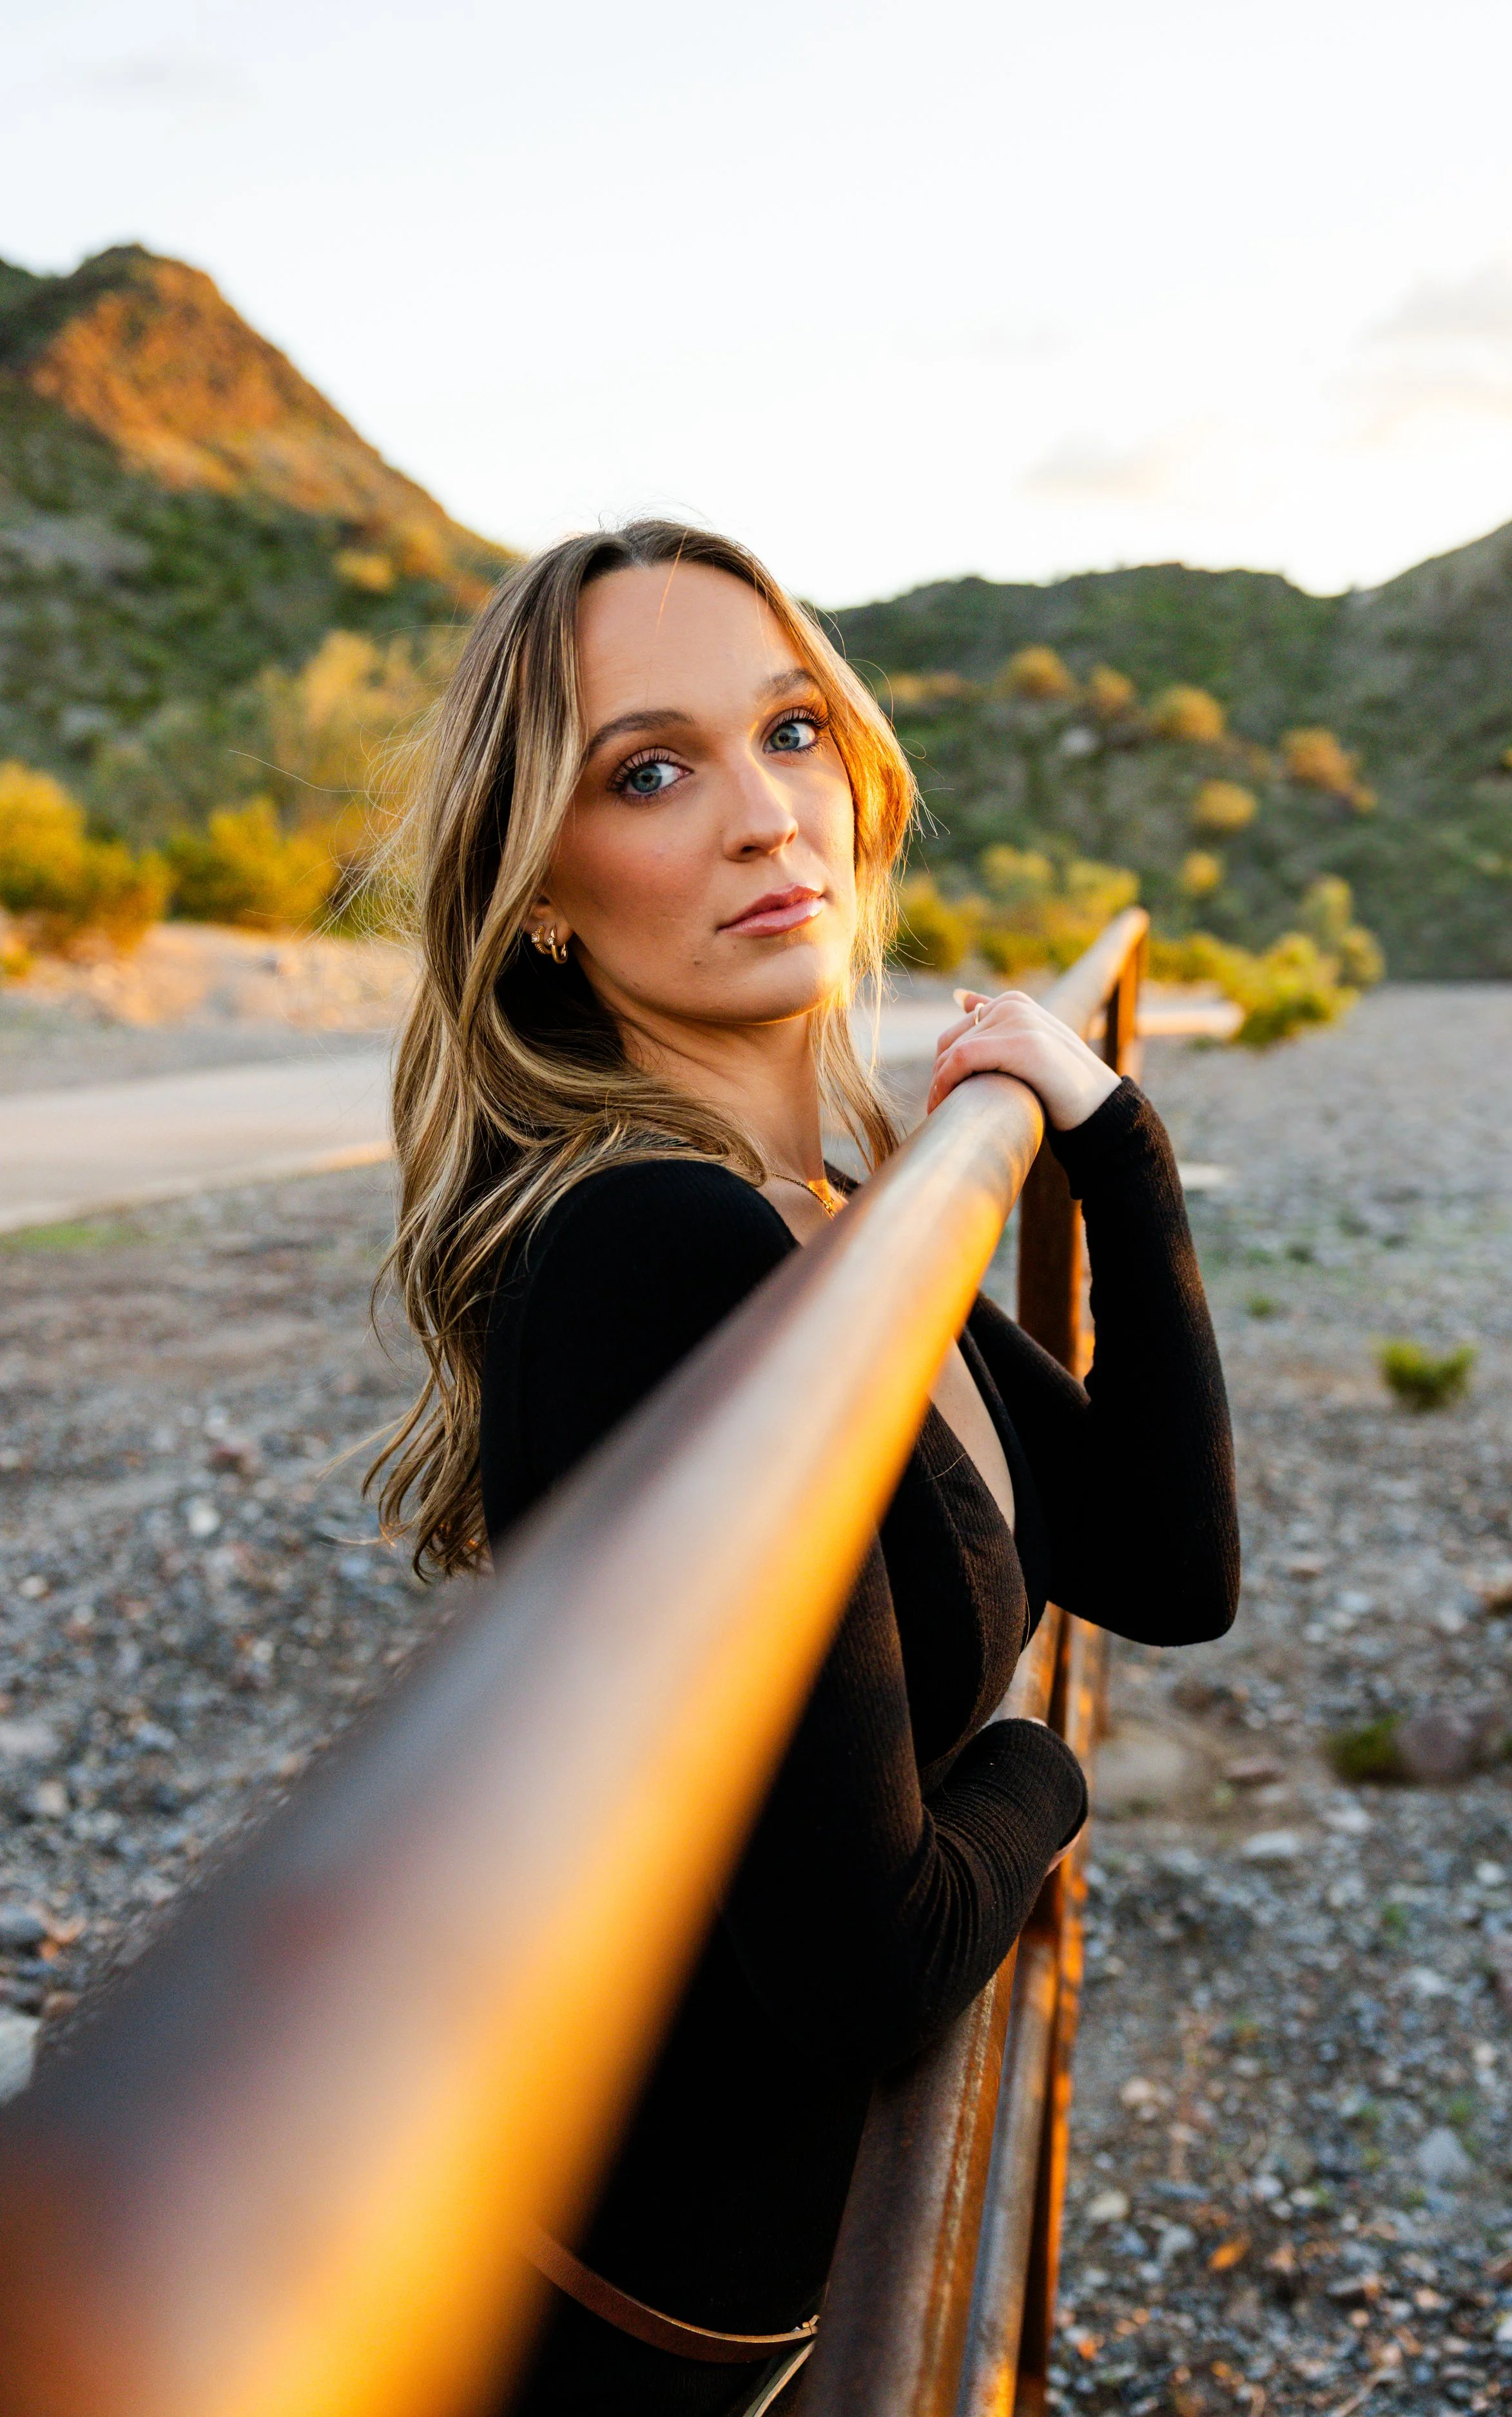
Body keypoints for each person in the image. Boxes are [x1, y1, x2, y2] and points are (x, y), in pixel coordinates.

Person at [371, 521, 1238, 2416]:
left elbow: (1166, 1565)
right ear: (537, 890)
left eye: (790, 730)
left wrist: (1109, 1147)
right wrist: (1040, 1766)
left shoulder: (838, 1216)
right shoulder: (645, 1255)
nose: (769, 816)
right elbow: (877, 1953)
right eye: (651, 770)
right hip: (602, 2335)